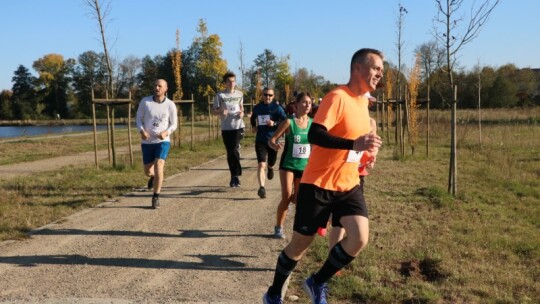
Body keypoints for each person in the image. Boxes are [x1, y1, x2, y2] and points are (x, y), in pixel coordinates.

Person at [262, 48, 384, 304]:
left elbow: (355, 142)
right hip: (318, 184)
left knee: (360, 237)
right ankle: (273, 294)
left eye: (381, 70)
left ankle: (316, 282)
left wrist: (366, 154)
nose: (380, 74)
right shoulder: (337, 97)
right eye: (376, 68)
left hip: (349, 183)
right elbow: (316, 134)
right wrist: (354, 145)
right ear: (358, 68)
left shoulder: (363, 102)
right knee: (298, 246)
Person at [328, 117, 378, 254]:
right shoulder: (348, 119)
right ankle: (332, 254)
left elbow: (373, 148)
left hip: (359, 175)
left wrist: (372, 159)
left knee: (343, 218)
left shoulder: (371, 122)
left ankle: (335, 255)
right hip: (343, 172)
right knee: (339, 221)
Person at [268, 92, 313, 239]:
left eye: (310, 103)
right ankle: (278, 227)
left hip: (304, 167)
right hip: (288, 164)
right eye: (305, 102)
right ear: (296, 105)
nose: (307, 105)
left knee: (299, 200)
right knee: (287, 196)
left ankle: (298, 229)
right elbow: (272, 139)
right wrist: (274, 145)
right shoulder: (289, 122)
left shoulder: (313, 123)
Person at [136, 79, 178, 209]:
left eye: (160, 86)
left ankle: (156, 197)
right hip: (147, 141)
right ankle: (153, 177)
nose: (157, 88)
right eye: (155, 85)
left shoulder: (170, 105)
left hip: (162, 141)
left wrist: (167, 132)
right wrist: (141, 131)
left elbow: (174, 124)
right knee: (148, 171)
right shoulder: (145, 101)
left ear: (166, 89)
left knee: (159, 165)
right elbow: (138, 119)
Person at [250, 87, 287, 198]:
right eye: (265, 95)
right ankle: (262, 188)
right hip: (260, 140)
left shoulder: (277, 108)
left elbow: (285, 121)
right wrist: (253, 126)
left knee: (271, 162)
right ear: (262, 95)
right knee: (261, 164)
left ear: (273, 96)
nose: (268, 97)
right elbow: (253, 118)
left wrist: (274, 123)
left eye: (270, 95)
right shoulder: (257, 107)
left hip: (273, 140)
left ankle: (271, 168)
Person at [213, 71, 245, 188]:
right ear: (225, 83)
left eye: (233, 81)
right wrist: (220, 112)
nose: (232, 83)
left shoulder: (239, 94)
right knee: (230, 152)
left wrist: (242, 113)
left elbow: (242, 108)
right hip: (226, 128)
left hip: (238, 126)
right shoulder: (220, 95)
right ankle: (234, 176)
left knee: (233, 149)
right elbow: (213, 110)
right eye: (229, 81)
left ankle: (235, 175)